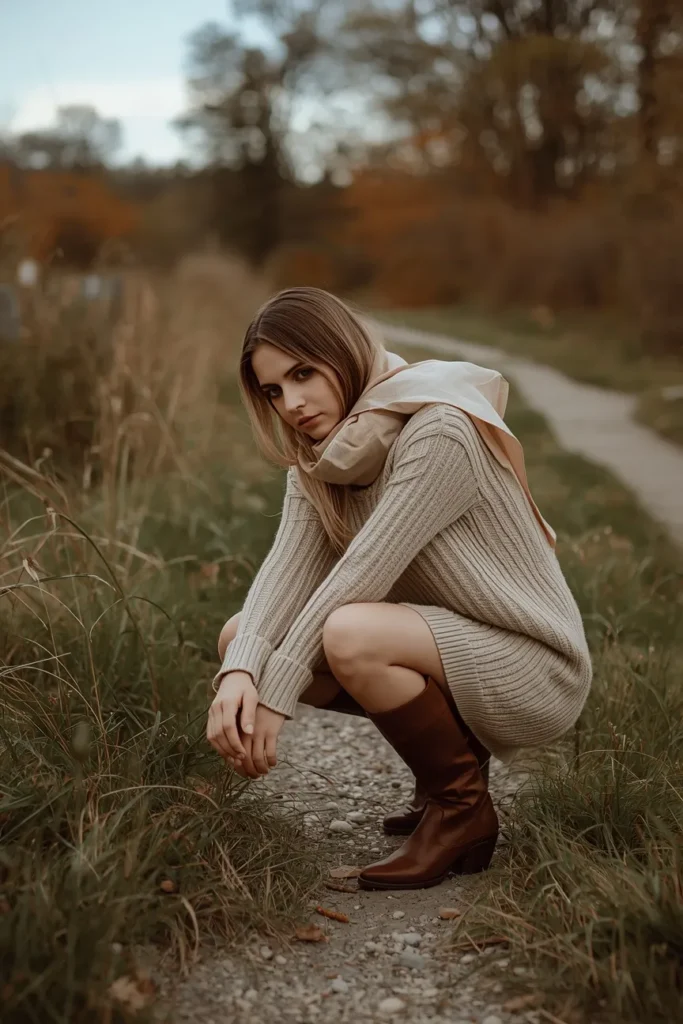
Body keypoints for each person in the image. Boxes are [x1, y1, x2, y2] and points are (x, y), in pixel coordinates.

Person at [207, 286, 592, 891]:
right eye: (274, 390)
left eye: (304, 372)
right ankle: (455, 769)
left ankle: (461, 811)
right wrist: (239, 672)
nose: (294, 403)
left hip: (536, 666)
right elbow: (284, 573)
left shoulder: (437, 430)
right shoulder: (323, 459)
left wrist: (274, 694)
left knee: (350, 632)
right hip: (459, 653)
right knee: (239, 638)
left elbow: (361, 573)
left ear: (345, 349)